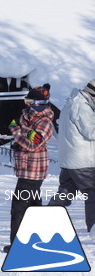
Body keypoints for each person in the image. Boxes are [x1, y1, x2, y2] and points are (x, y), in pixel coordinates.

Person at [5, 84, 56, 253]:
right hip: (26, 168)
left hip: (33, 170)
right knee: (33, 205)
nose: (26, 104)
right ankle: (36, 241)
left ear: (38, 103)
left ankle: (17, 246)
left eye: (29, 101)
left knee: (18, 207)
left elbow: (33, 144)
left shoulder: (45, 122)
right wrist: (25, 131)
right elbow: (28, 137)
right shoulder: (28, 116)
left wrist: (17, 131)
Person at [47, 79, 95, 234]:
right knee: (93, 193)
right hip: (82, 162)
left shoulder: (72, 103)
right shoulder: (82, 107)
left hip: (70, 159)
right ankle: (94, 230)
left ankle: (44, 223)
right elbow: (91, 132)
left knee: (65, 193)